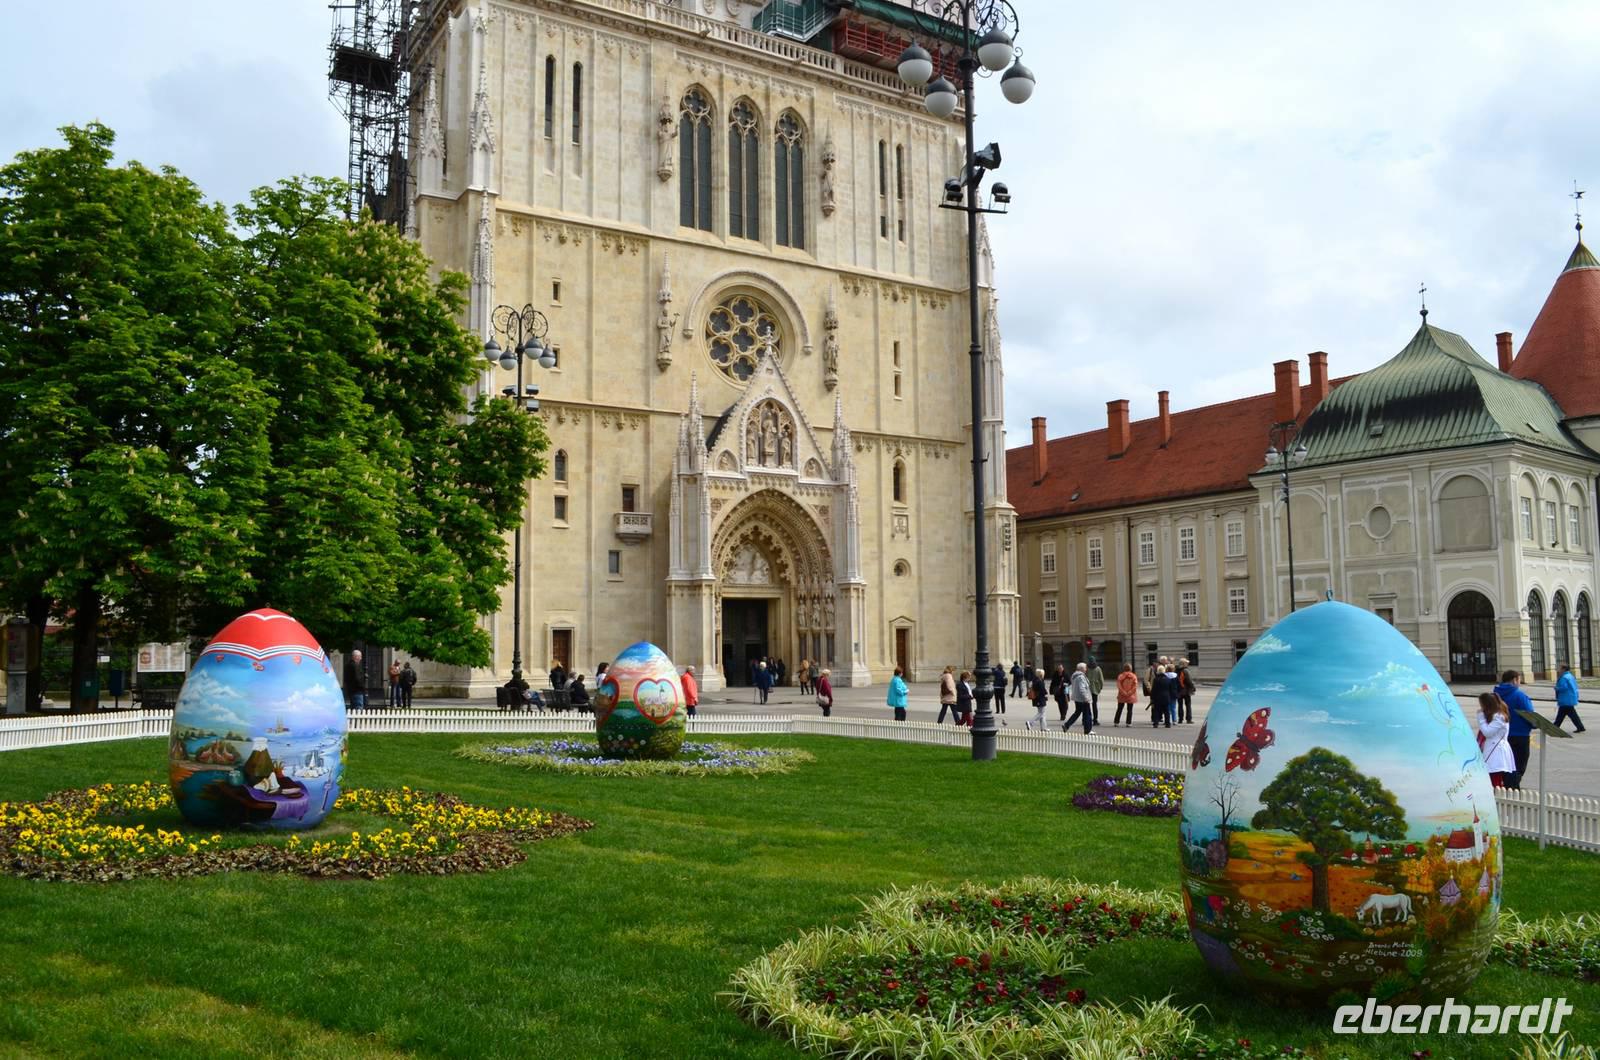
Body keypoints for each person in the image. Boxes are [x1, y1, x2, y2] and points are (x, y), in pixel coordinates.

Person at [1494, 669, 1538, 789]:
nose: (1520, 682)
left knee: (1507, 763)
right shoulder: (1519, 695)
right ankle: (1513, 787)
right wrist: (1534, 724)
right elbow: (1530, 714)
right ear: (1514, 680)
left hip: (1501, 735)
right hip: (1520, 734)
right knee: (1519, 765)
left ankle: (1508, 786)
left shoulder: (1496, 695)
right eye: (1519, 679)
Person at [1477, 692, 1515, 787]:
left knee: (1494, 778)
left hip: (1496, 751)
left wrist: (1481, 718)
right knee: (1492, 777)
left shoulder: (1499, 717)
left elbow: (1488, 732)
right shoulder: (1495, 716)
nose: (1481, 708)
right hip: (1493, 749)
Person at [1064, 662, 1095, 734]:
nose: (1086, 669)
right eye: (1085, 668)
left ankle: (1066, 725)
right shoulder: (1081, 677)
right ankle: (1088, 730)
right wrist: (1086, 698)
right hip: (1083, 699)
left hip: (1077, 699)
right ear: (1081, 669)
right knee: (1087, 714)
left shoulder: (1074, 676)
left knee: (1077, 713)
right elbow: (1082, 689)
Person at [1555, 664, 1587, 732]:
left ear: (1563, 669)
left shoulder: (1564, 677)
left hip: (1565, 698)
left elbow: (1564, 687)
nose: (1558, 670)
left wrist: (1557, 688)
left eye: (1560, 668)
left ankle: (1555, 727)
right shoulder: (1570, 676)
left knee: (1562, 714)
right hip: (1570, 697)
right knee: (1571, 714)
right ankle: (1580, 727)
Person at [1150, 660, 1173, 728]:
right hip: (1166, 697)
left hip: (1158, 697)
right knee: (1166, 711)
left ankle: (1156, 723)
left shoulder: (1156, 680)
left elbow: (1154, 690)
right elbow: (1170, 689)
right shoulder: (1168, 679)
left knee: (1156, 710)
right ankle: (1167, 723)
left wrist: (1152, 698)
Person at [1176, 659, 1196, 724]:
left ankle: (1180, 719)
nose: (1187, 664)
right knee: (1188, 705)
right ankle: (1188, 719)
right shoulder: (1185, 671)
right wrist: (1193, 687)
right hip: (1186, 690)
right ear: (1184, 664)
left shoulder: (1176, 670)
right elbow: (1189, 680)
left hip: (1179, 690)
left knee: (1180, 705)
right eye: (1186, 663)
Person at [1086, 657, 1104, 725]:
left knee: (1087, 704)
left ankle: (1086, 718)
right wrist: (1100, 688)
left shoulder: (1087, 668)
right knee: (1094, 704)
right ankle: (1095, 719)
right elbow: (1101, 679)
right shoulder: (1098, 668)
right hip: (1095, 689)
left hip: (1087, 689)